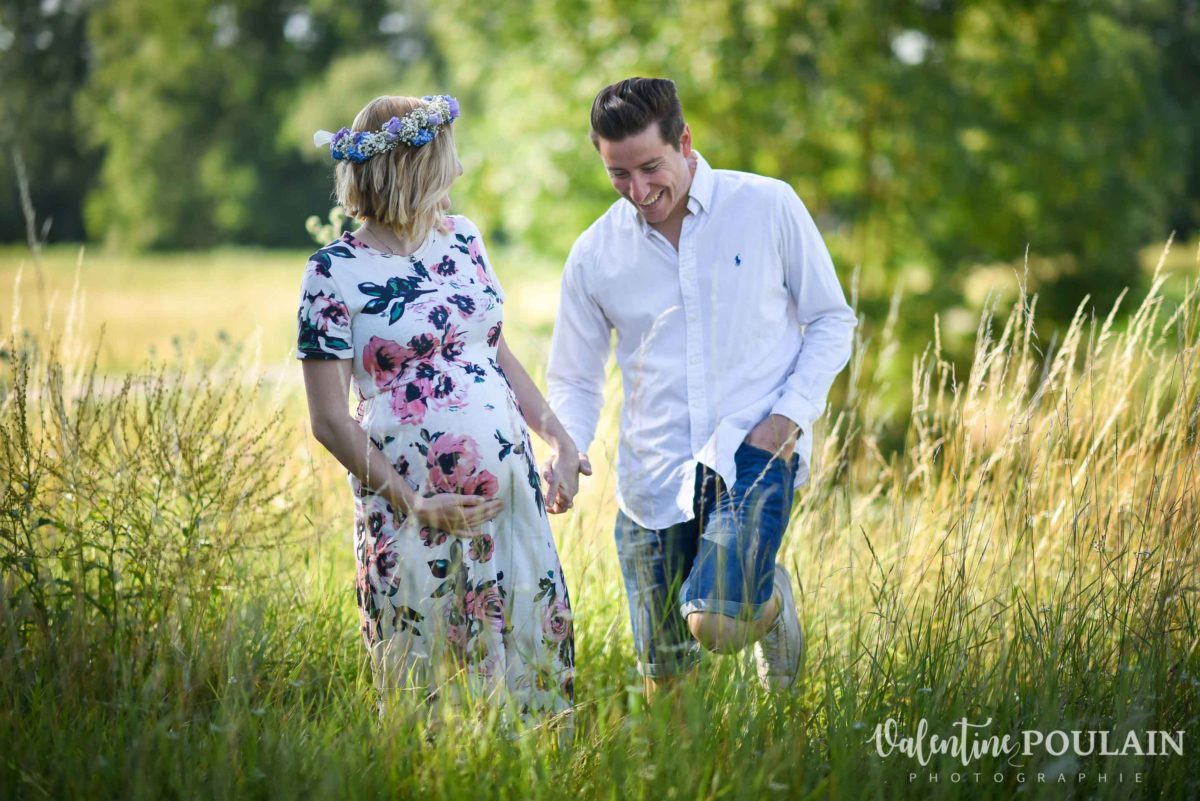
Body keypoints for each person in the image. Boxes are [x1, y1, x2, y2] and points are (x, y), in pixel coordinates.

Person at [545, 78, 856, 699]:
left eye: (650, 167)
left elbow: (831, 319)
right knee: (669, 689)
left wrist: (787, 420)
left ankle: (767, 608)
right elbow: (575, 376)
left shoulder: (767, 205)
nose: (639, 191)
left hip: (754, 449)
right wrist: (567, 446)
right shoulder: (594, 254)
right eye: (618, 175)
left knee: (716, 623)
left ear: (684, 142)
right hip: (651, 475)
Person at [297, 94, 584, 725]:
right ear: (412, 169)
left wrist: (559, 440)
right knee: (431, 682)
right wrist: (412, 499)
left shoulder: (464, 241)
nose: (456, 174)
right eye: (445, 161)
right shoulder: (333, 272)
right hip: (413, 513)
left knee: (528, 666)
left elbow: (497, 353)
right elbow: (329, 419)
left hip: (508, 504)